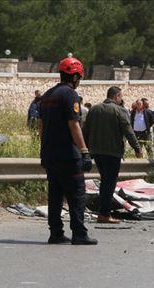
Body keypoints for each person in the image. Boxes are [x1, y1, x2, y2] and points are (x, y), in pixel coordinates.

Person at [37, 56, 96, 245]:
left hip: (50, 155)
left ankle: (55, 233)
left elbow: (40, 126)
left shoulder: (47, 95)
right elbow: (74, 125)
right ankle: (79, 233)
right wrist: (85, 151)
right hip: (68, 156)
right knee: (76, 195)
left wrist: (44, 149)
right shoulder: (70, 95)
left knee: (55, 195)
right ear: (76, 76)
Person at [83, 86, 143, 223]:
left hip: (96, 152)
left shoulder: (94, 109)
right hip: (112, 153)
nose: (121, 99)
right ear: (117, 96)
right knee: (109, 183)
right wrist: (137, 148)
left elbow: (85, 130)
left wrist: (84, 149)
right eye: (120, 97)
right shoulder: (119, 110)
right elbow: (128, 130)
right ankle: (104, 214)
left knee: (105, 181)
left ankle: (103, 211)